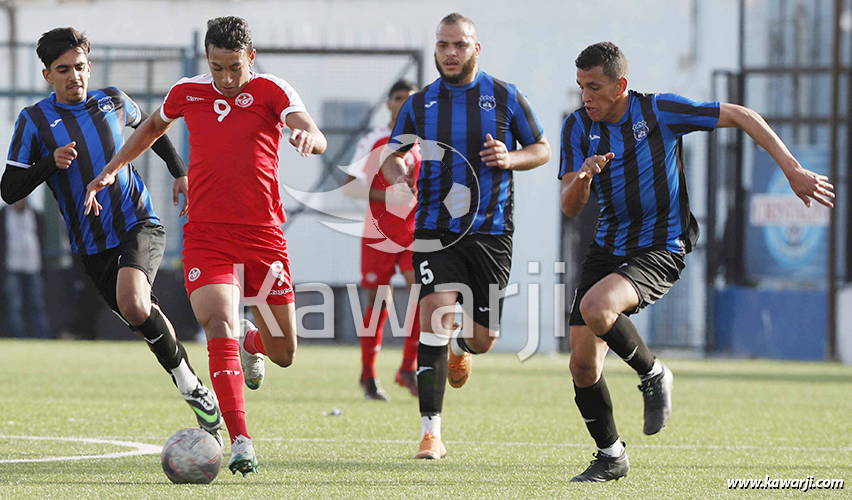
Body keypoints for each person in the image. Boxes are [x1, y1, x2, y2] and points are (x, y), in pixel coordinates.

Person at [559, 41, 834, 482]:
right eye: (580, 87)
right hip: (607, 246)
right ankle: (611, 455)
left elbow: (741, 115)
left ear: (621, 85)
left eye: (594, 87)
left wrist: (791, 168)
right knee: (581, 364)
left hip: (661, 246)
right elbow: (570, 206)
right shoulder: (577, 128)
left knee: (597, 309)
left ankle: (653, 375)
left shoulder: (660, 111)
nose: (585, 96)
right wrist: (584, 178)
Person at [84, 16, 326, 475]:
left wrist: (308, 137)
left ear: (250, 58)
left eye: (234, 67)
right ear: (207, 61)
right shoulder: (188, 92)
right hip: (207, 234)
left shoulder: (273, 90)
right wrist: (114, 167)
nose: (226, 79)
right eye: (217, 68)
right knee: (218, 323)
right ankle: (241, 442)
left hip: (264, 237)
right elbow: (152, 128)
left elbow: (310, 129)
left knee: (284, 353)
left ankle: (253, 343)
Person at [0, 27, 221, 436]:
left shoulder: (114, 100)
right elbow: (9, 188)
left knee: (135, 302)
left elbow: (152, 130)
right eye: (62, 70)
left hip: (138, 220)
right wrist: (50, 163)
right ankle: (189, 378)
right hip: (91, 245)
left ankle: (191, 389)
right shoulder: (33, 121)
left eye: (80, 67)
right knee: (140, 314)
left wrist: (180, 172)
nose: (74, 76)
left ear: (89, 66)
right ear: (47, 75)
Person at [381, 13, 552, 459]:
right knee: (435, 312)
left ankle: (463, 346)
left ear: (476, 49)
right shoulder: (419, 104)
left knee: (482, 339)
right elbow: (392, 157)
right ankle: (430, 433)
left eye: (459, 45)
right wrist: (399, 172)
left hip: (491, 232)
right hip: (434, 230)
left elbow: (542, 149)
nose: (450, 53)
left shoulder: (506, 96)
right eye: (442, 45)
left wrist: (510, 158)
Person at [342, 79, 422, 401]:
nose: (403, 104)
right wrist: (390, 194)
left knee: (423, 296)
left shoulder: (424, 142)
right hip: (378, 234)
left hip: (414, 233)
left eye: (410, 99)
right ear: (388, 103)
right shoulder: (374, 139)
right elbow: (350, 186)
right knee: (377, 306)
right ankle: (368, 375)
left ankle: (408, 368)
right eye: (398, 98)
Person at [0, 198, 51, 339]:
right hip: (10, 269)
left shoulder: (36, 216)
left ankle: (43, 338)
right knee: (14, 307)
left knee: (37, 306)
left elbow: (42, 240)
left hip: (33, 268)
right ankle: (18, 338)